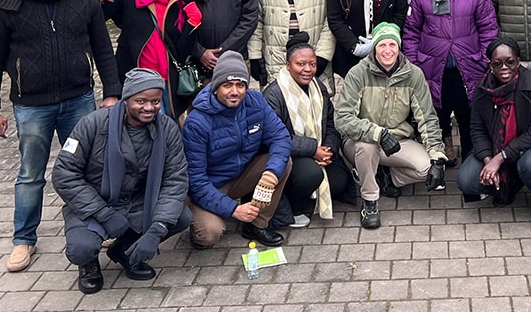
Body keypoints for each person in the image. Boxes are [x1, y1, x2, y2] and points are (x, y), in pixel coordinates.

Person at [0, 0, 122, 273]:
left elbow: (103, 51)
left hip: (79, 101)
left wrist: (112, 93)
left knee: (90, 168)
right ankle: (24, 239)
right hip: (32, 107)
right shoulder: (9, 3)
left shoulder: (84, 0)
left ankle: (93, 225)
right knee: (31, 175)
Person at [53, 68, 191, 294]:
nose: (149, 107)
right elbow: (64, 174)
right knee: (80, 248)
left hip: (136, 202)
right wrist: (103, 213)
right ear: (127, 99)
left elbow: (175, 179)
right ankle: (88, 264)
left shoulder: (167, 128)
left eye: (156, 101)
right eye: (141, 101)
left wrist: (157, 230)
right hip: (95, 202)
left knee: (181, 216)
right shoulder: (92, 124)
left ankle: (125, 252)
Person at [335, 22, 447, 229]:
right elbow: (342, 118)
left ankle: (388, 178)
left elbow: (427, 118)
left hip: (397, 140)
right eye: (381, 45)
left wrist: (438, 156)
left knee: (426, 168)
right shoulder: (357, 74)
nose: (387, 51)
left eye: (392, 45)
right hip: (361, 140)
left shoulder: (413, 74)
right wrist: (377, 133)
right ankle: (369, 202)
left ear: (399, 47)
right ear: (374, 48)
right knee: (367, 148)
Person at [404, 0, 499, 166]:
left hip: (468, 66)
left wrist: (486, 61)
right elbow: (412, 32)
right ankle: (444, 150)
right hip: (434, 68)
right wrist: (414, 64)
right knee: (439, 113)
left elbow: (488, 30)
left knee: (468, 116)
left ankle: (471, 159)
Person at [182, 51, 292, 248]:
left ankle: (256, 225)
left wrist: (270, 175)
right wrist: (233, 209)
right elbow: (196, 181)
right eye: (227, 85)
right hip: (209, 185)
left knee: (282, 162)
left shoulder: (255, 102)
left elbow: (280, 136)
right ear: (216, 88)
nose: (235, 91)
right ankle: (197, 220)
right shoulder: (197, 121)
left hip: (241, 176)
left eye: (240, 85)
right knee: (209, 235)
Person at [457, 37, 531, 230]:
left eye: (510, 62)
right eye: (498, 63)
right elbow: (477, 129)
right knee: (466, 180)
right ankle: (507, 186)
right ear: (491, 65)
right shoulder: (483, 89)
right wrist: (489, 162)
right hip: (496, 147)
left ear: (518, 61)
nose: (504, 67)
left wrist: (500, 158)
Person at [101, 0, 203, 118]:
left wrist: (193, 24)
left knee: (167, 130)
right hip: (136, 80)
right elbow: (102, 17)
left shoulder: (182, 2)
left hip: (167, 84)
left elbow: (181, 51)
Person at [262, 32, 352, 229]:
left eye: (312, 64)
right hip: (289, 154)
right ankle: (293, 207)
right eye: (300, 64)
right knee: (311, 174)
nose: (308, 69)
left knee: (339, 181)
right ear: (288, 65)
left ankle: (308, 193)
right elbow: (274, 138)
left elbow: (330, 122)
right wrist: (313, 150)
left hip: (318, 148)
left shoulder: (318, 86)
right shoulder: (273, 94)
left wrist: (328, 149)